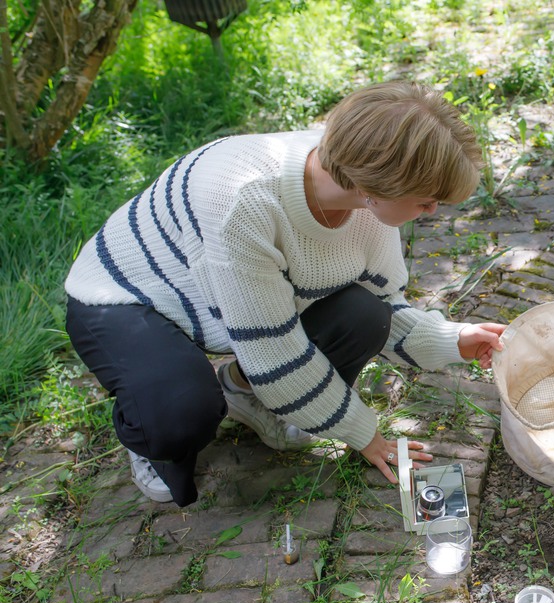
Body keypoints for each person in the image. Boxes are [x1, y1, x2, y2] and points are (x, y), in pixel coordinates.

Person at [65, 82, 506, 507]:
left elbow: (385, 307)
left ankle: (242, 392)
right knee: (181, 412)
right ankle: (150, 433)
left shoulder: (362, 189)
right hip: (127, 296)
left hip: (224, 298)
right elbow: (274, 357)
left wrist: (454, 339)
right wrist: (364, 432)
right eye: (428, 202)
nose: (431, 213)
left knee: (365, 315)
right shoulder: (245, 201)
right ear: (374, 190)